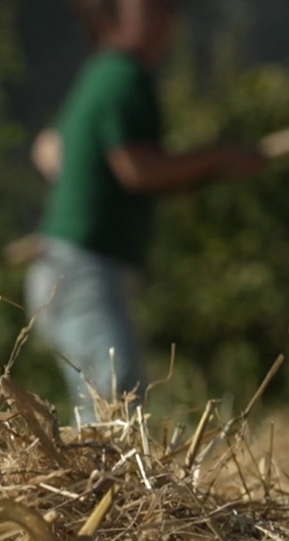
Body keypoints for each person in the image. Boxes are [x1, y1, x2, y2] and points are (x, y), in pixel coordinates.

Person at [26, 0, 267, 424]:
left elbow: (49, 151)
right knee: (114, 403)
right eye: (149, 10)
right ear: (108, 21)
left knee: (108, 404)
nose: (165, 21)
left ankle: (99, 489)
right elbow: (139, 170)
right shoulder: (123, 76)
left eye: (165, 10)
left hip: (68, 268)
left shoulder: (101, 73)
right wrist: (218, 160)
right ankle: (98, 492)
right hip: (83, 273)